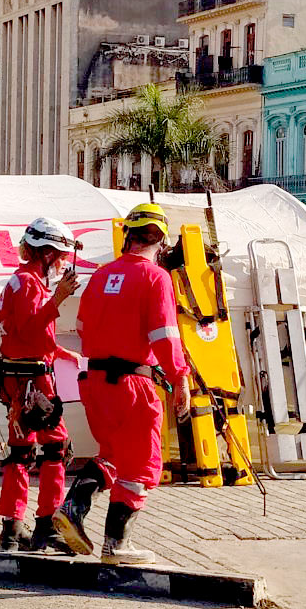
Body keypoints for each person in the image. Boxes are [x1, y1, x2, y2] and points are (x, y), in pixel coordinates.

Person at [53, 203, 191, 565]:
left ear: (128, 235)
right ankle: (116, 546)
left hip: (96, 381)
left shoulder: (101, 275)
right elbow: (165, 336)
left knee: (113, 455)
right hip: (133, 385)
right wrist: (180, 379)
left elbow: (82, 329)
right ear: (160, 241)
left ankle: (72, 508)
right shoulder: (156, 278)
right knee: (143, 463)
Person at [0, 218, 84, 553]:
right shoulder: (31, 284)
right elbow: (31, 330)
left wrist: (58, 351)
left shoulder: (19, 282)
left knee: (20, 452)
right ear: (45, 253)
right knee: (57, 448)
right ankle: (48, 525)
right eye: (59, 256)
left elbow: (20, 335)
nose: (62, 264)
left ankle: (12, 530)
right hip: (34, 381)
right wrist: (57, 299)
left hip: (16, 378)